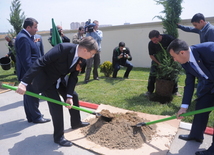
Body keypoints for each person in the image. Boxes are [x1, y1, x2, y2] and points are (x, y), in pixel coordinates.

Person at [15, 36, 98, 147]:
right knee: (56, 106)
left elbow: (73, 77)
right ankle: (58, 137)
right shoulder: (62, 48)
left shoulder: (81, 59)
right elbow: (40, 62)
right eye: (92, 53)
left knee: (74, 95)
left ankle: (76, 122)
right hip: (47, 80)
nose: (92, 56)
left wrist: (69, 97)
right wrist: (24, 82)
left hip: (59, 79)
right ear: (84, 50)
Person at [167, 39, 214, 155]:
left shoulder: (209, 49)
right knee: (201, 106)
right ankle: (196, 135)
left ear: (182, 53)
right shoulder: (186, 63)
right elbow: (189, 84)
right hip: (210, 86)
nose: (174, 60)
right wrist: (184, 107)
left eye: (174, 56)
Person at [15, 17, 50, 123]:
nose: (37, 29)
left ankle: (31, 116)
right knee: (32, 95)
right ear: (28, 27)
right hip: (28, 73)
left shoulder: (26, 36)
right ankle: (36, 117)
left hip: (28, 73)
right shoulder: (23, 38)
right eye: (35, 27)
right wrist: (31, 76)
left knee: (28, 95)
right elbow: (26, 60)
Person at [177, 13, 214, 97]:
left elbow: (211, 48)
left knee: (205, 78)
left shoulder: (210, 30)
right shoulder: (202, 29)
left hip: (208, 60)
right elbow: (190, 29)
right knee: (201, 77)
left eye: (195, 25)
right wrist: (179, 26)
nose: (195, 27)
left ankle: (203, 96)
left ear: (201, 21)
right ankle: (200, 95)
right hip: (203, 58)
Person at [144, 30, 180, 96]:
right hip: (157, 60)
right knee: (152, 74)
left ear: (159, 36)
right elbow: (151, 55)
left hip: (170, 60)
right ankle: (149, 91)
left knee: (173, 74)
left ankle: (175, 91)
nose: (154, 42)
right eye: (152, 40)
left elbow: (177, 46)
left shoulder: (169, 38)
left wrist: (173, 58)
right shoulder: (151, 43)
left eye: (155, 40)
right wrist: (158, 63)